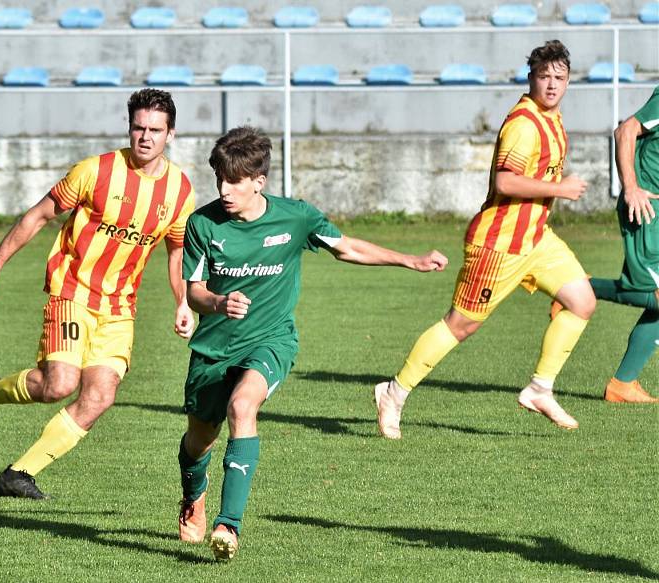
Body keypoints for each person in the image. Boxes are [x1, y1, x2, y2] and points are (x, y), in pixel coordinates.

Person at [175, 126, 448, 561]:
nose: (225, 190)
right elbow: (194, 292)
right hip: (213, 348)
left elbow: (348, 248)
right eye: (220, 179)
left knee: (243, 407)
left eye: (235, 181)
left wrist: (409, 259)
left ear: (258, 182)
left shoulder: (295, 217)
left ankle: (229, 526)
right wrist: (219, 301)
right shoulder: (203, 224)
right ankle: (194, 492)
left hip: (271, 340)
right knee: (198, 442)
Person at [0, 88, 196, 498]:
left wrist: (183, 301)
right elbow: (38, 215)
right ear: (129, 127)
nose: (145, 137)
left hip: (119, 307)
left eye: (155, 129)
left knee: (99, 396)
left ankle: (19, 473)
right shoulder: (95, 171)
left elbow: (176, 253)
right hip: (72, 291)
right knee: (58, 385)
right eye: (139, 127)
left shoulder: (180, 191)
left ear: (170, 134)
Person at [375, 40, 596, 439]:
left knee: (582, 303)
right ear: (531, 78)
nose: (551, 85)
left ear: (567, 82)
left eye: (559, 78)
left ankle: (540, 388)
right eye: (544, 77)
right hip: (498, 245)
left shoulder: (554, 120)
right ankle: (394, 392)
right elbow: (505, 181)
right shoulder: (524, 125)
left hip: (536, 239)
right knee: (460, 326)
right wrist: (561, 190)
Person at [587, 85, 659, 403]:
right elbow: (624, 131)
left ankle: (623, 384)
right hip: (643, 206)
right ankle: (575, 288)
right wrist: (630, 187)